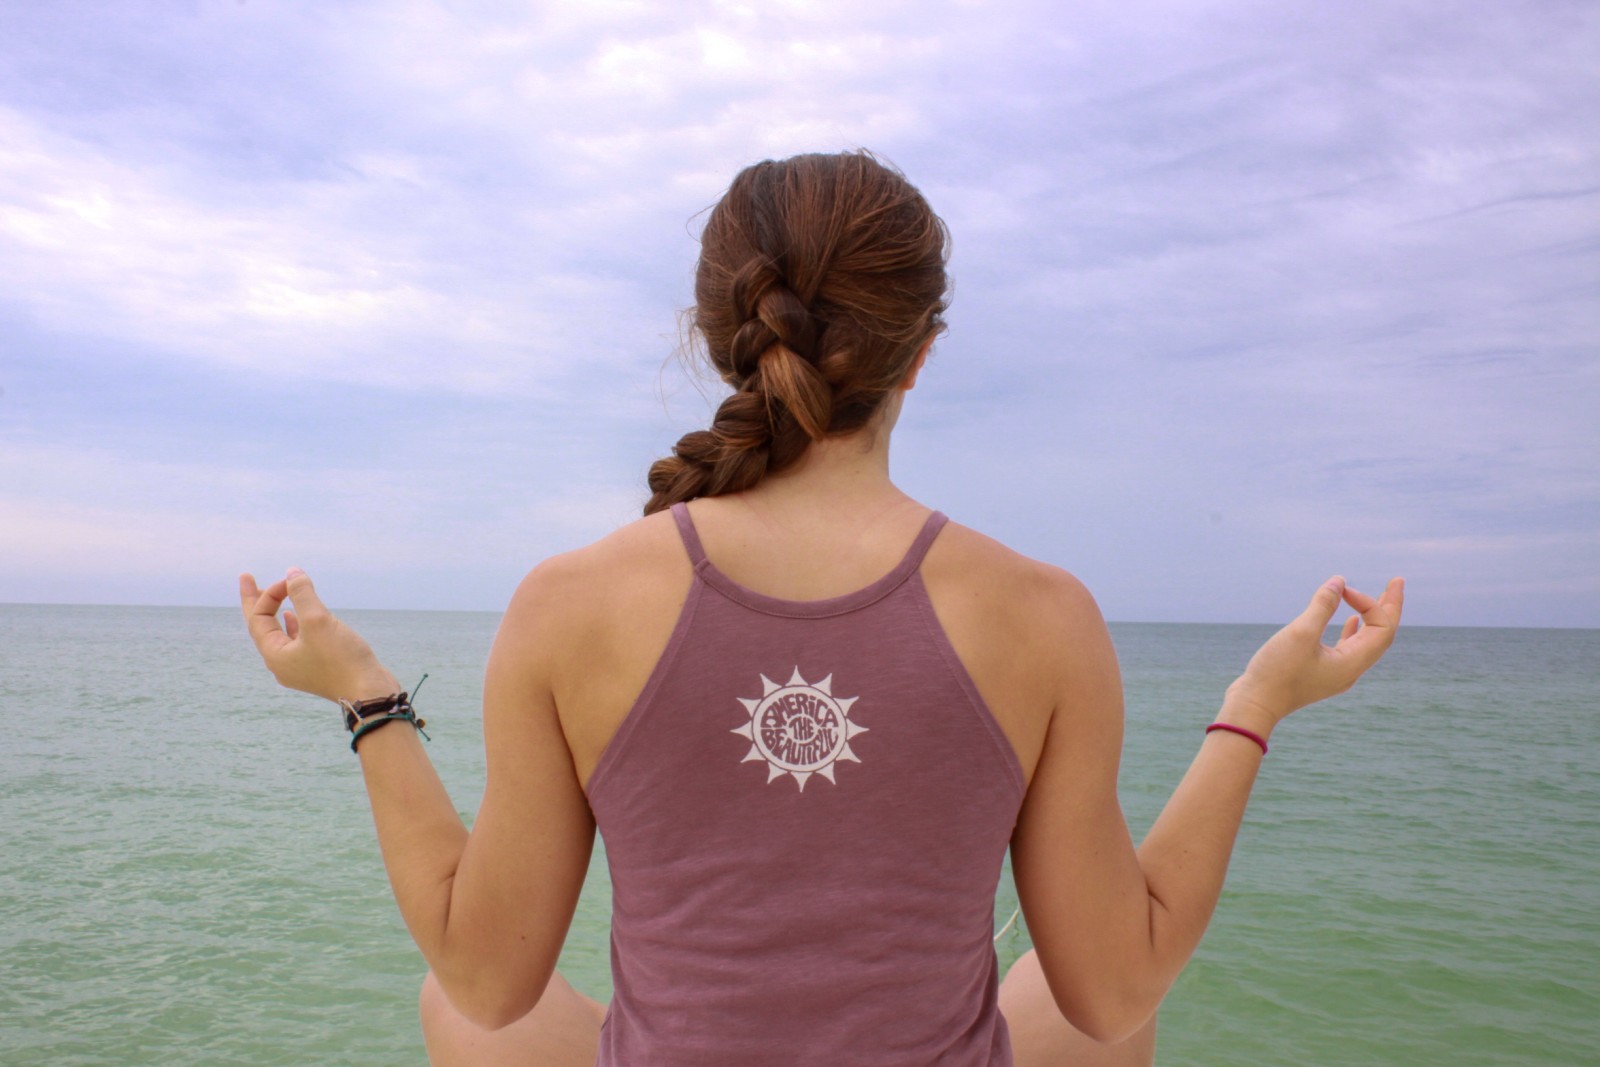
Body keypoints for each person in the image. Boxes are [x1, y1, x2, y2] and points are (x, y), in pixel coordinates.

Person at [240, 151, 1403, 1067]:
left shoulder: (567, 602)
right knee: (1078, 999)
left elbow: (488, 977)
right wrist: (1256, 703)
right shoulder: (1042, 613)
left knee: (453, 1005)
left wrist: (367, 696)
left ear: (722, 342)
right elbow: (1114, 988)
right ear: (921, 354)